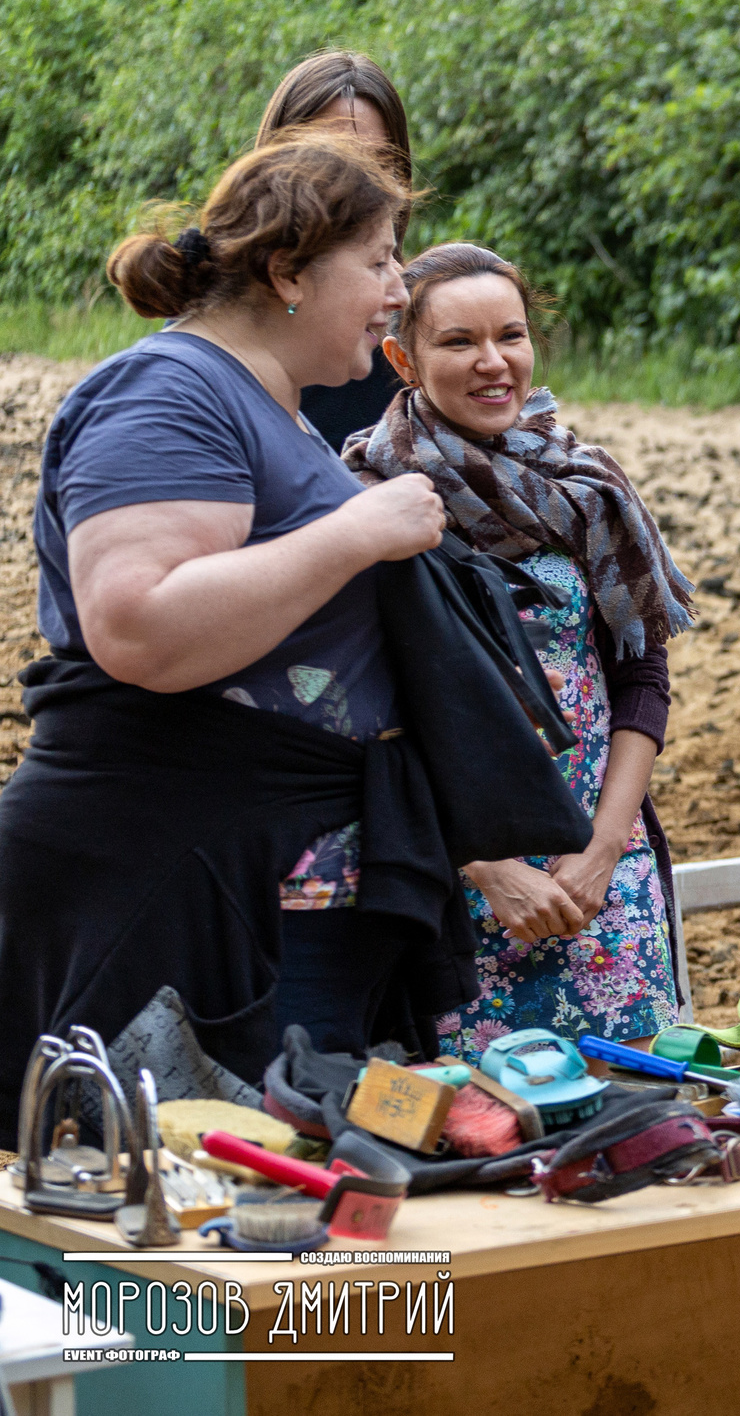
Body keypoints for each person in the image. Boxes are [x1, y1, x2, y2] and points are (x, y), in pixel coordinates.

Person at [0, 133, 447, 1118]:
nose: (398, 286)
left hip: (256, 874)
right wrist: (358, 529)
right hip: (164, 870)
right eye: (376, 259)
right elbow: (139, 628)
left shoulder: (269, 405)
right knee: (166, 1247)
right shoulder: (169, 390)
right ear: (288, 270)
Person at [345, 243, 691, 1061]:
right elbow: (366, 714)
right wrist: (488, 867)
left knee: (638, 1131)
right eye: (458, 341)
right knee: (472, 1136)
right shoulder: (367, 504)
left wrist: (604, 848)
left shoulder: (587, 488)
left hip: (600, 880)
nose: (493, 362)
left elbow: (641, 676)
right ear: (403, 356)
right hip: (452, 891)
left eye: (511, 334)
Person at [260, 51, 416, 449]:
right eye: (332, 161)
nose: (358, 186)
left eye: (377, 165)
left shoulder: (412, 325)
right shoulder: (217, 335)